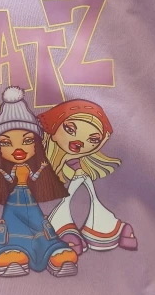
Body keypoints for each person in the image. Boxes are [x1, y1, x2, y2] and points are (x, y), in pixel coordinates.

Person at [0, 86, 78, 278]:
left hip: (29, 198)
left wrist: (40, 170)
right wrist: (1, 172)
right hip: (13, 200)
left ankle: (50, 250)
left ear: (36, 144)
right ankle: (12, 250)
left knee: (38, 221)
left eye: (27, 141)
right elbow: (9, 179)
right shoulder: (11, 171)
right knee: (11, 224)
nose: (18, 149)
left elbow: (34, 178)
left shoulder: (30, 168)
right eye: (6, 143)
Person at [38, 100, 137, 254]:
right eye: (70, 129)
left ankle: (98, 226)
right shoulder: (38, 161)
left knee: (83, 185)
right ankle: (66, 228)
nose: (79, 142)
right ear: (53, 127)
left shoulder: (76, 165)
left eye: (93, 140)